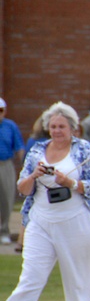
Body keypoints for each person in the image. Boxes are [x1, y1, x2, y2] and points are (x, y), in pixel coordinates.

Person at [0, 102, 90, 301]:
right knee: (30, 276)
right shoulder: (37, 150)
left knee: (79, 282)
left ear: (72, 128)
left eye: (62, 126)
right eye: (53, 126)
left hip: (77, 221)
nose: (57, 131)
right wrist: (33, 175)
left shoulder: (84, 150)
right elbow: (22, 189)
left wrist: (70, 182)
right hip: (41, 221)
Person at [0, 97, 26, 244]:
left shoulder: (10, 126)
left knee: (6, 199)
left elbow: (19, 146)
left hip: (5, 164)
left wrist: (23, 164)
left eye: (1, 111)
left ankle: (4, 231)